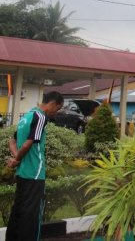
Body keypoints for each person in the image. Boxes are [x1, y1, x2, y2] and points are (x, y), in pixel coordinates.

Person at [7, 91, 64, 240]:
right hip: (35, 173)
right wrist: (17, 158)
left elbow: (11, 141)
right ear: (52, 104)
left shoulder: (26, 117)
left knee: (18, 212)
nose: (55, 113)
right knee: (31, 216)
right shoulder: (40, 117)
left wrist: (15, 159)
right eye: (57, 109)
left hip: (22, 173)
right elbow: (28, 143)